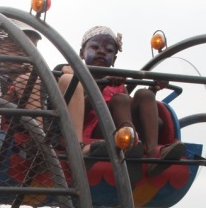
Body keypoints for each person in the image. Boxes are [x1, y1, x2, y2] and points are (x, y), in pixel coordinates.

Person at [78, 25, 184, 177]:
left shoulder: (118, 82)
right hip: (96, 128)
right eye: (95, 47)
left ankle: (152, 156)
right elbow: (78, 112)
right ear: (81, 53)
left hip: (124, 128)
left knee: (144, 94)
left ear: (114, 59)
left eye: (109, 50)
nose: (102, 52)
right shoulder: (76, 79)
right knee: (120, 99)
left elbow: (129, 108)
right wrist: (102, 85)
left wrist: (154, 88)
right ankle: (130, 145)